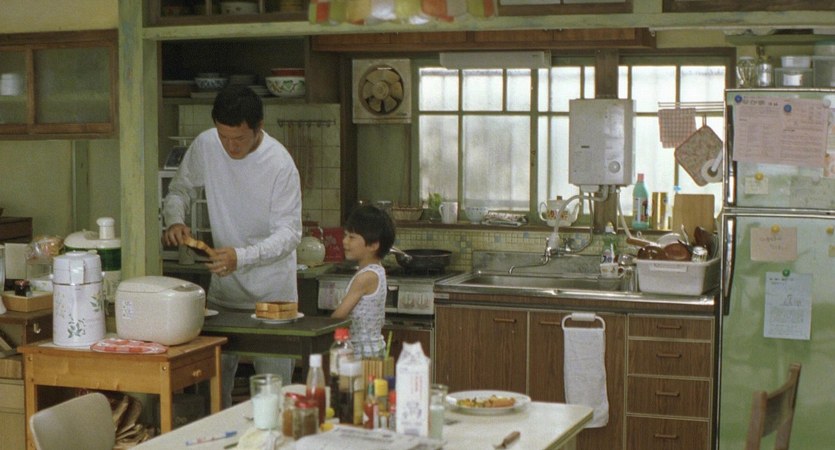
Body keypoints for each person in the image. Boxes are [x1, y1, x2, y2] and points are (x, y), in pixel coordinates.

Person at [162, 84, 302, 408]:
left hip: (273, 298)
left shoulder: (280, 164)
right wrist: (175, 220)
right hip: (224, 294)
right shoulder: (207, 144)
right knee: (212, 392)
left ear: (259, 127)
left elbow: (290, 233)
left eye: (238, 138)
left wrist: (242, 257)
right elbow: (180, 189)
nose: (230, 146)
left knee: (274, 397)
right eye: (223, 136)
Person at [331, 205, 395, 358]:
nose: (345, 241)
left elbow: (338, 317)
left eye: (352, 237)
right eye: (345, 235)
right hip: (372, 350)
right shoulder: (376, 270)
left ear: (373, 245)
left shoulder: (365, 278)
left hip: (363, 353)